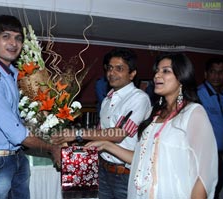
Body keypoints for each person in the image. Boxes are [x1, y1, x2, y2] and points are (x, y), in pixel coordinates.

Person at [86, 52, 218, 199]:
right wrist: (106, 145)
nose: (157, 76)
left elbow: (204, 174)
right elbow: (140, 159)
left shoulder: (193, 113)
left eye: (166, 71)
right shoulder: (153, 115)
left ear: (182, 77)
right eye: (157, 71)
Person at [0, 15, 60, 199]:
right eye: (6, 36)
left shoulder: (12, 72)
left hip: (16, 155)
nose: (14, 43)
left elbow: (19, 116)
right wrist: (51, 147)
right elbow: (16, 133)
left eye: (18, 38)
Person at [52, 48, 151, 199]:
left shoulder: (139, 98)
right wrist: (69, 149)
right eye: (110, 68)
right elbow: (100, 135)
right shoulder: (107, 100)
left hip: (125, 174)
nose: (112, 73)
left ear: (132, 74)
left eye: (119, 68)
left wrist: (77, 134)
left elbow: (118, 134)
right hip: (103, 168)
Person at [197, 57, 223, 199]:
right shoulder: (199, 94)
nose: (217, 76)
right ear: (206, 74)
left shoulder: (221, 96)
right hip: (205, 154)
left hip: (219, 155)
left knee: (216, 188)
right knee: (206, 190)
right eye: (213, 72)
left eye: (221, 72)